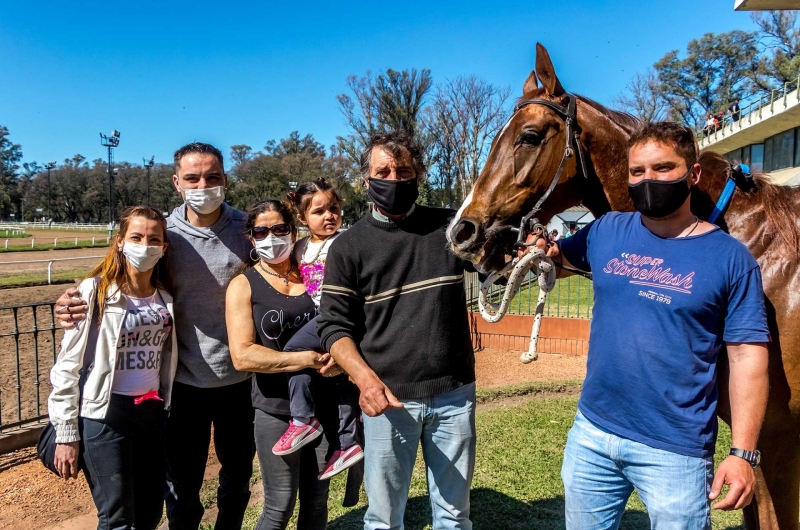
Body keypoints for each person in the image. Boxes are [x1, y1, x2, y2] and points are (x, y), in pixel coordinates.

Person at [534, 122, 770, 528]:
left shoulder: (731, 258)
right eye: (637, 171)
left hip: (675, 451)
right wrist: (542, 249)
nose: (648, 180)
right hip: (592, 434)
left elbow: (748, 356)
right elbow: (560, 257)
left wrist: (743, 452)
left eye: (663, 168)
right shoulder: (607, 230)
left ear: (692, 175)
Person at [56, 143, 255, 530]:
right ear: (177, 182)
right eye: (193, 178)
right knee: (181, 489)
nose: (204, 185)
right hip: (181, 387)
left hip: (240, 381)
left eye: (212, 177)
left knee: (238, 482)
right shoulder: (163, 234)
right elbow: (119, 279)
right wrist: (67, 302)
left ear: (225, 180)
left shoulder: (248, 230)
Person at [317, 130, 477, 530]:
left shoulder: (450, 227)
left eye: (403, 170)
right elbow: (334, 327)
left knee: (454, 516)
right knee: (384, 519)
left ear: (418, 175)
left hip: (454, 393)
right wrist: (365, 380)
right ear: (366, 180)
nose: (393, 178)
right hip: (386, 399)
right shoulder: (348, 247)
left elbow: (496, 262)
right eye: (383, 171)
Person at [48, 206, 176, 530]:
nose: (144, 244)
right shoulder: (96, 290)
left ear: (164, 247)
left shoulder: (166, 297)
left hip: (151, 412)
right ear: (120, 242)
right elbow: (67, 364)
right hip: (106, 414)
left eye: (153, 238)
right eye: (136, 237)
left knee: (150, 513)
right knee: (117, 518)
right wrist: (66, 433)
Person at [225, 199, 338, 529]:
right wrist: (301, 359)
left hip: (324, 403)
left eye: (279, 229)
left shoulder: (314, 274)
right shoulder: (243, 285)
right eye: (261, 230)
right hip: (275, 409)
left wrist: (340, 360)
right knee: (280, 504)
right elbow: (243, 355)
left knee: (317, 500)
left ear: (293, 231)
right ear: (251, 237)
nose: (271, 236)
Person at [276, 178, 363, 479]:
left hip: (339, 315)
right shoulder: (299, 248)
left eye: (334, 208)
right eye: (319, 211)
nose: (329, 216)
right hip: (320, 319)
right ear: (302, 218)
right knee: (336, 377)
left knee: (293, 350)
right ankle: (347, 443)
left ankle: (302, 419)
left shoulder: (347, 241)